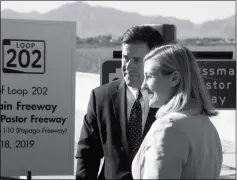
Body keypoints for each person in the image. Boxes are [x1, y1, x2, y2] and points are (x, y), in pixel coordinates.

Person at [75, 25, 164, 180]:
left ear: (156, 61)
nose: (128, 66)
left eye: (137, 60)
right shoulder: (101, 97)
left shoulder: (170, 100)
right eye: (125, 58)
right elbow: (87, 154)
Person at [132, 44, 223, 179]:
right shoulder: (206, 125)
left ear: (174, 78)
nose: (143, 86)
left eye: (149, 76)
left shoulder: (168, 127)